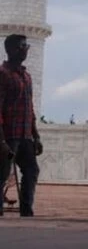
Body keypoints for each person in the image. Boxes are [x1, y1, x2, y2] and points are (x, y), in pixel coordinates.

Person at [0, 34, 43, 217]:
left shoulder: (26, 76)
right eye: (22, 46)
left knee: (31, 170)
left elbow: (29, 108)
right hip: (8, 137)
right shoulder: (3, 74)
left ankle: (26, 211)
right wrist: (2, 141)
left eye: (26, 46)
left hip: (24, 136)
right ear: (11, 50)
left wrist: (36, 136)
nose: (26, 50)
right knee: (2, 174)